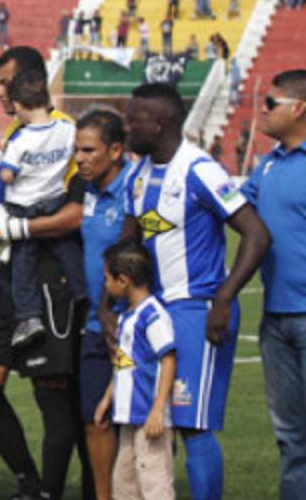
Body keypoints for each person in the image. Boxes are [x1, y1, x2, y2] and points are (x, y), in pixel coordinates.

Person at [117, 82, 270, 500]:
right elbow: (128, 245)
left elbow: (256, 235)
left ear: (158, 123)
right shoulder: (136, 174)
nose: (127, 127)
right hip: (152, 313)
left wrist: (223, 298)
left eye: (133, 119)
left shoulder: (199, 170)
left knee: (193, 424)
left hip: (196, 311)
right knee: (151, 422)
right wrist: (113, 306)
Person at [0, 47, 93, 500]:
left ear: (31, 83)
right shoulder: (19, 131)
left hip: (49, 277)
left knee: (55, 397)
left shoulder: (70, 135)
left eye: (6, 83)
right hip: (9, 273)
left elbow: (76, 211)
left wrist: (18, 227)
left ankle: (55, 492)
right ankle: (29, 482)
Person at [240, 70, 306, 499]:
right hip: (276, 318)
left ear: (298, 108)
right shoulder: (265, 167)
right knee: (290, 435)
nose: (262, 110)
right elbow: (231, 208)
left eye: (270, 103)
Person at [0, 70, 85, 348]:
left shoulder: (20, 140)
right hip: (56, 199)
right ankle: (83, 294)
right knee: (67, 247)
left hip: (24, 205)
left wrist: (8, 165)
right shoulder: (67, 130)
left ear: (18, 106)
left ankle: (28, 316)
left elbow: (7, 176)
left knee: (23, 260)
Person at [73, 109, 130, 500]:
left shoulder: (134, 190)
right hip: (95, 324)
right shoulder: (87, 191)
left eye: (89, 150)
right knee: (96, 418)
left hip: (130, 325)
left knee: (139, 422)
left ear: (115, 150)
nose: (79, 159)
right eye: (77, 150)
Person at [93, 242, 177, 500]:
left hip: (148, 418)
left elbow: (168, 359)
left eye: (107, 279)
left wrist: (158, 408)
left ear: (123, 280)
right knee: (124, 484)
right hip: (128, 417)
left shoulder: (152, 315)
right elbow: (123, 363)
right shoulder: (126, 316)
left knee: (154, 484)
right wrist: (107, 398)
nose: (105, 285)